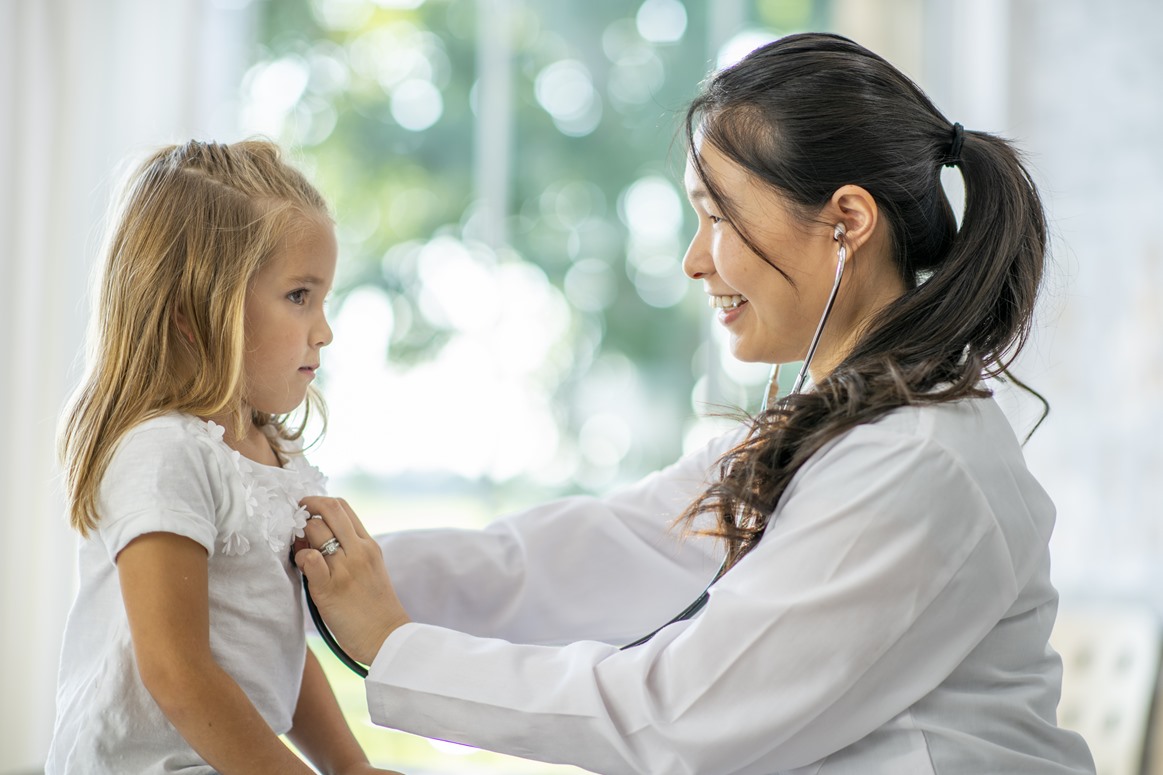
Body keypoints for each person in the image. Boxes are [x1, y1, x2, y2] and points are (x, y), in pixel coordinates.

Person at [295, 33, 1096, 774]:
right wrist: (310, 567)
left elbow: (678, 716)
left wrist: (394, 645)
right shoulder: (833, 434)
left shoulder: (916, 463)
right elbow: (583, 555)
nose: (691, 260)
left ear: (845, 222)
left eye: (717, 216)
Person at [48, 140, 400, 775]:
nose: (324, 329)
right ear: (194, 309)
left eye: (323, 299)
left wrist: (351, 767)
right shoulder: (165, 453)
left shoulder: (272, 455)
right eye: (299, 296)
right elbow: (177, 673)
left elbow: (281, 649)